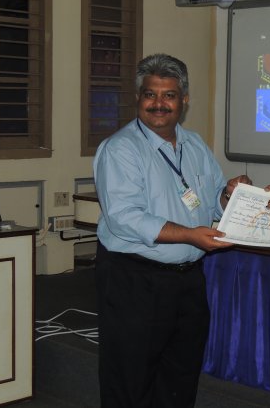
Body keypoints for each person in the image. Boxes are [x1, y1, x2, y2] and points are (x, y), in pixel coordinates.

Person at [93, 53, 251, 408]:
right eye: (151, 95)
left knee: (180, 376)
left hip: (188, 281)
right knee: (130, 380)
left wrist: (230, 194)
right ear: (138, 98)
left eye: (169, 95)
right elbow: (124, 217)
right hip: (134, 280)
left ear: (184, 100)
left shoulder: (194, 144)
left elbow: (211, 202)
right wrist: (190, 235)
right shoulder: (120, 150)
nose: (159, 104)